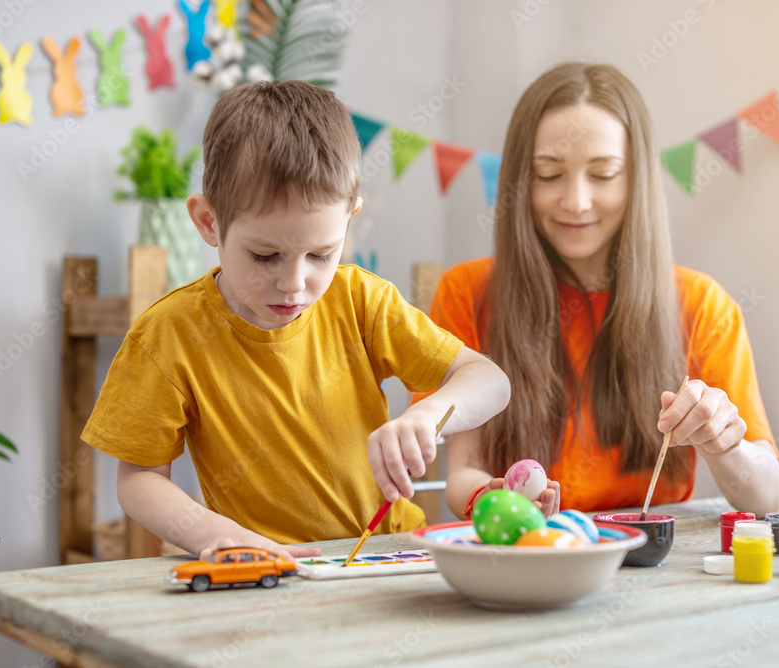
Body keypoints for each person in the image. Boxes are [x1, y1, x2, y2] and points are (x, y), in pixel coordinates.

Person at [82, 80, 510, 563]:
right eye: (265, 255)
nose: (294, 282)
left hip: (388, 557)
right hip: (264, 568)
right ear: (208, 222)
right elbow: (139, 478)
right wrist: (207, 533)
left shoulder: (363, 302)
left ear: (349, 220)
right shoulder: (169, 334)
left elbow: (490, 381)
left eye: (321, 254)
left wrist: (428, 415)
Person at [415, 62, 779, 520]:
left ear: (637, 180)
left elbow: (767, 497)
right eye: (549, 174)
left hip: (653, 563)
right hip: (526, 550)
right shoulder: (464, 292)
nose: (576, 201)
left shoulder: (703, 305)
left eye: (604, 174)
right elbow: (464, 471)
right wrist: (495, 501)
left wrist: (725, 446)